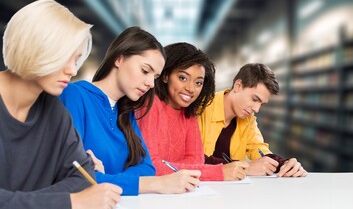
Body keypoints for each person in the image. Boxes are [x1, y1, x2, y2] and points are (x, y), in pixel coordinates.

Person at [0, 0, 122, 209]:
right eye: (65, 57)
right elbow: (77, 194)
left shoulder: (54, 111)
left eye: (75, 60)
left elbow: (83, 177)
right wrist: (69, 202)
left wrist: (18, 201)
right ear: (35, 47)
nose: (73, 71)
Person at [59, 26, 201, 196]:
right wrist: (155, 184)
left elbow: (147, 168)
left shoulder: (126, 112)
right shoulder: (75, 96)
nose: (151, 83)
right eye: (145, 71)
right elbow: (74, 177)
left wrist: (107, 178)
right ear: (119, 59)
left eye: (155, 77)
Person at [137, 42, 248, 181]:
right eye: (183, 78)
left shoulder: (189, 113)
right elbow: (151, 166)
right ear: (165, 76)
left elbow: (196, 162)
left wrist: (171, 167)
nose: (191, 89)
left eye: (198, 83)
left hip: (179, 192)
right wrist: (217, 172)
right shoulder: (150, 105)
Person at [198, 63, 307, 177]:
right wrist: (246, 167)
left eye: (261, 103)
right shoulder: (200, 109)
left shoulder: (247, 119)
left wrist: (285, 164)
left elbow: (259, 149)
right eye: (255, 99)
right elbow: (192, 160)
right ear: (238, 86)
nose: (256, 109)